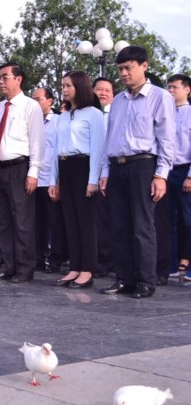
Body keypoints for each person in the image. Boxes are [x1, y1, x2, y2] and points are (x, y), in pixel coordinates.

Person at [99, 46, 176, 298]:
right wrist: (104, 172)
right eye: (120, 69)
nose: (123, 73)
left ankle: (145, 281)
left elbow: (167, 139)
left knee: (143, 226)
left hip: (144, 165)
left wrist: (161, 175)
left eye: (128, 68)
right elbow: (108, 138)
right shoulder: (118, 100)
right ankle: (124, 279)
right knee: (118, 226)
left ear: (144, 66)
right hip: (116, 166)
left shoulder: (159, 96)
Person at [0, 62, 45, 283]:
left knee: (22, 221)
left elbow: (37, 141)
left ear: (18, 79)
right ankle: (9, 265)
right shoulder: (0, 108)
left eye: (5, 77)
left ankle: (24, 268)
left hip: (20, 168)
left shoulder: (30, 106)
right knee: (1, 222)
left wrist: (33, 171)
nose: (0, 81)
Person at [49, 72, 105, 289]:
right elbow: (56, 149)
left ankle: (87, 269)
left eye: (69, 85)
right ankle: (74, 266)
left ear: (80, 86)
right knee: (69, 220)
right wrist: (54, 180)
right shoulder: (63, 116)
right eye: (63, 85)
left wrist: (93, 179)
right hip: (65, 166)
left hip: (84, 166)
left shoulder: (93, 114)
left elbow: (98, 147)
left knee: (86, 221)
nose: (64, 89)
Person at [32, 87, 68, 274]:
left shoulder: (58, 122)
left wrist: (57, 180)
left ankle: (56, 258)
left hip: (51, 180)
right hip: (33, 179)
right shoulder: (29, 122)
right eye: (33, 100)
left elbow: (59, 152)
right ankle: (37, 258)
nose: (35, 103)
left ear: (50, 101)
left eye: (39, 99)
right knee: (36, 223)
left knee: (55, 223)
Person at [166, 74, 191, 281]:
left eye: (175, 87)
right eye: (169, 87)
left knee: (188, 220)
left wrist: (190, 176)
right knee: (168, 221)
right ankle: (171, 264)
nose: (171, 91)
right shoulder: (166, 113)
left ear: (187, 90)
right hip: (166, 171)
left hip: (185, 170)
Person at [91, 77, 116, 279]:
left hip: (110, 173)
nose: (103, 93)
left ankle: (107, 260)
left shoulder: (114, 114)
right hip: (92, 172)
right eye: (99, 89)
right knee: (95, 220)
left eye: (107, 90)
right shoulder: (91, 115)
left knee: (108, 219)